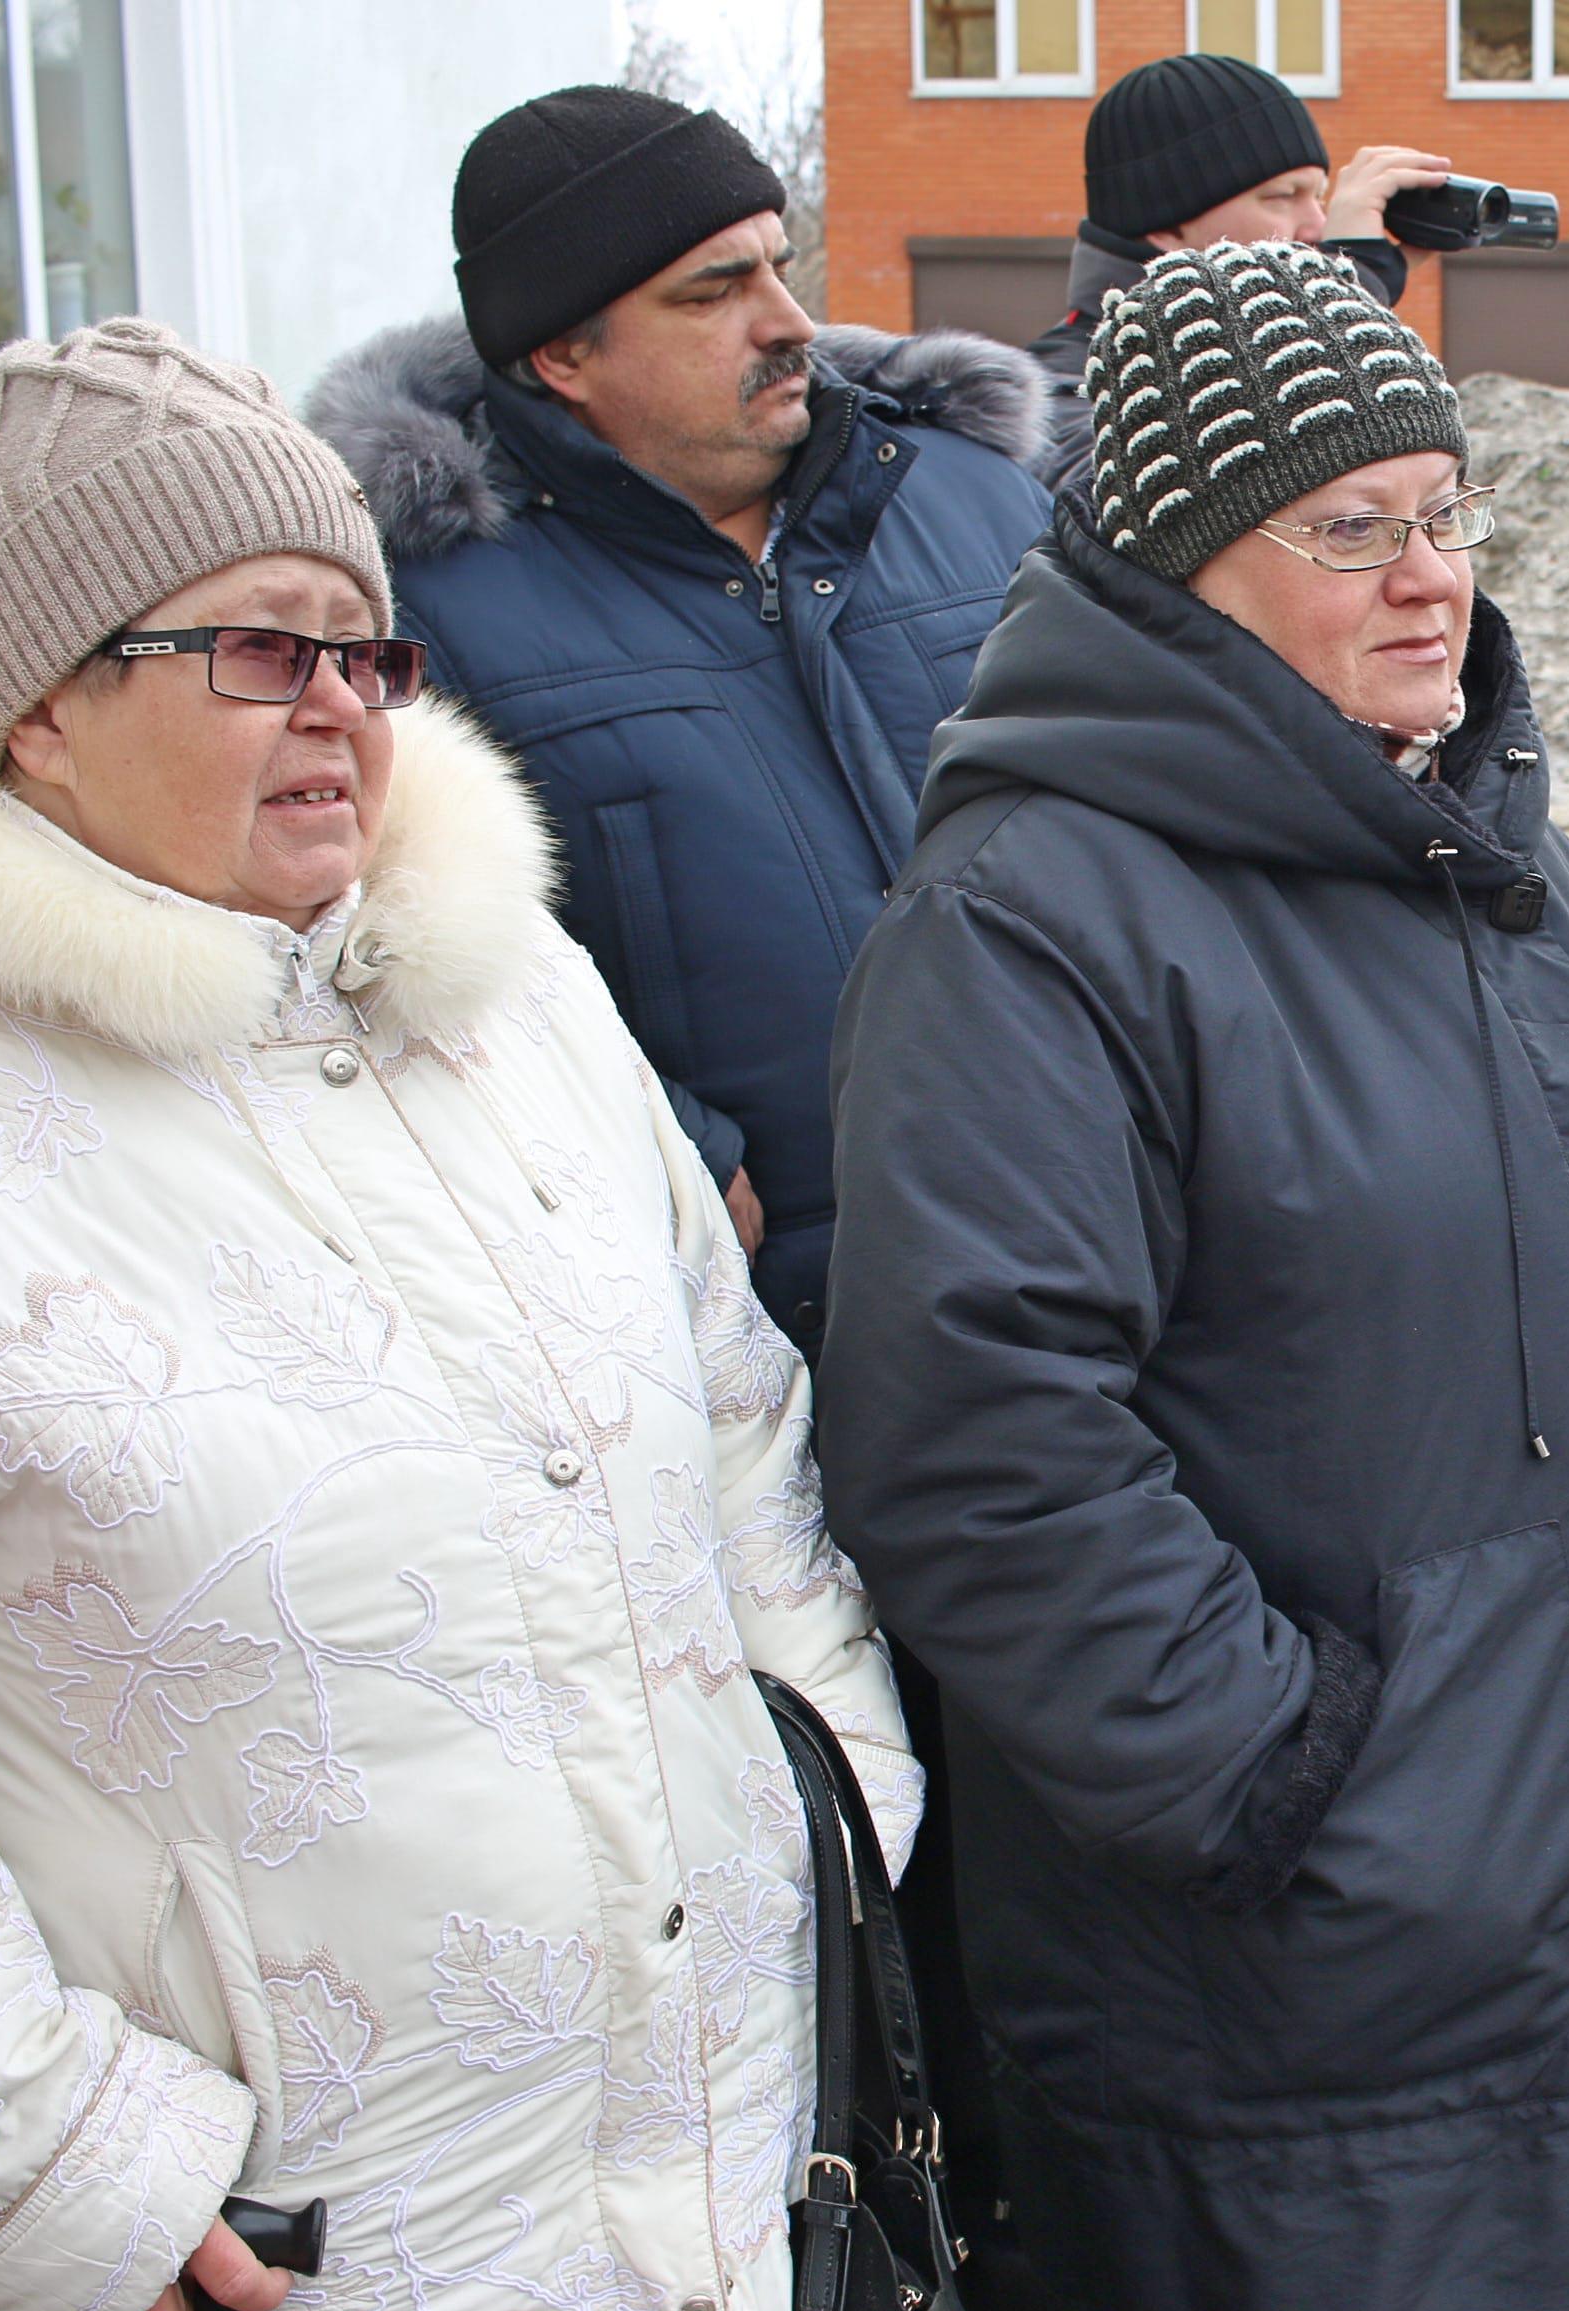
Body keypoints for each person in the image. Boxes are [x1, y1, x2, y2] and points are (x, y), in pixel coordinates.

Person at [0, 319, 913, 2311]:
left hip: (676, 2218)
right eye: (254, 649)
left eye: (366, 650)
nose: (338, 702)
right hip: (248, 2299)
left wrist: (829, 1812)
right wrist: (50, 2163)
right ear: (38, 711)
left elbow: (739, 1438)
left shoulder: (512, 1003)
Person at [816, 240, 1569, 2311]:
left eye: (1446, 511)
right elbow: (978, 1444)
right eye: (1350, 526)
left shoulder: (1504, 875)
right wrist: (1289, 1773)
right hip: (1297, 1989)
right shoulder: (1035, 917)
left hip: (1548, 1935)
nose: (1429, 573)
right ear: (1176, 567)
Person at [307, 83, 1054, 1358]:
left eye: (777, 262)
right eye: (712, 293)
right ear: (562, 354)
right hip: (789, 1316)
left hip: (1112, 1218)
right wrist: (663, 1143)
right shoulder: (418, 609)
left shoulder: (978, 500)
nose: (790, 321)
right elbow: (377, 970)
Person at [1024, 52, 1452, 490]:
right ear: (1168, 226)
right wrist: (1342, 296)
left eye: (1319, 196)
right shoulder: (1053, 395)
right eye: (1283, 196)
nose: (1317, 225)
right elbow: (1150, 510)